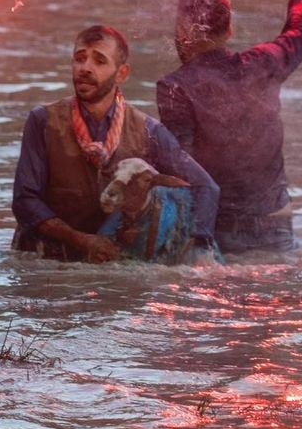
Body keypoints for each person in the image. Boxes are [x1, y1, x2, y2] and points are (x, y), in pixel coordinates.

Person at [12, 24, 219, 262]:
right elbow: (25, 201)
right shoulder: (43, 121)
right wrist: (82, 240)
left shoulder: (147, 130)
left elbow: (205, 187)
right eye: (80, 59)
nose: (85, 68)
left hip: (110, 259)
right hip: (49, 259)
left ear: (122, 74)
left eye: (99, 61)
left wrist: (198, 247)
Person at [156, 0, 302, 255]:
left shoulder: (174, 87)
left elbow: (182, 170)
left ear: (183, 32)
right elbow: (300, 33)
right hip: (275, 223)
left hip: (216, 232)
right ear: (230, 30)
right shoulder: (264, 64)